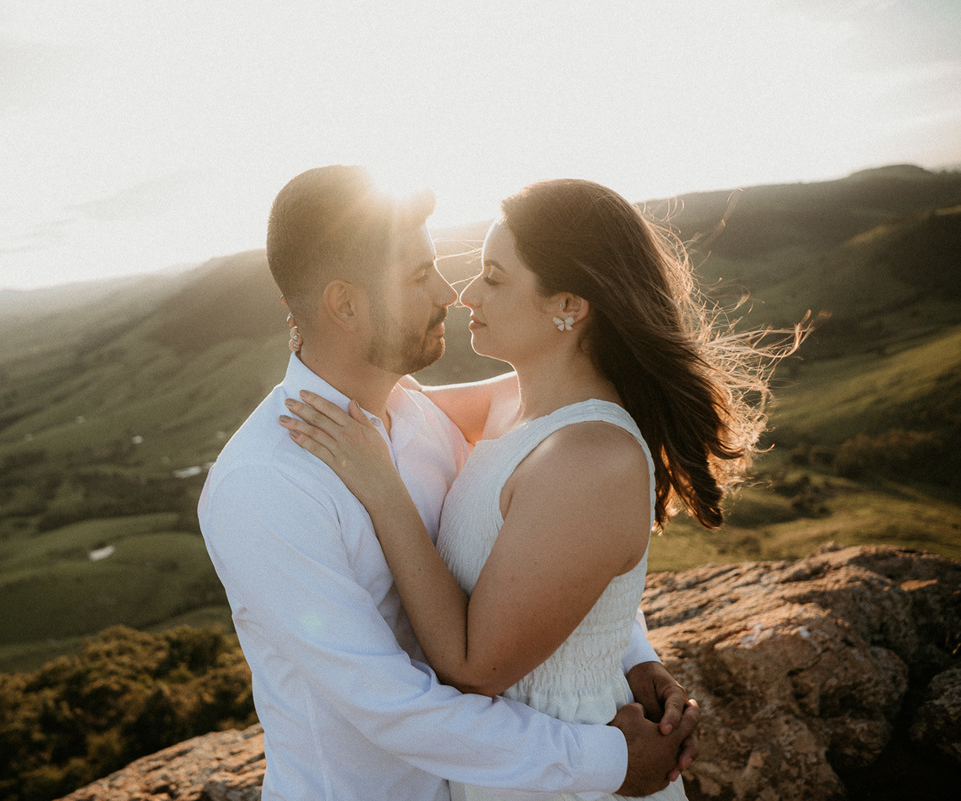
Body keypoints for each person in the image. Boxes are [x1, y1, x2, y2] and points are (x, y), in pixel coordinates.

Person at [282, 178, 794, 800]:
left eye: (494, 278)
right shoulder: (512, 403)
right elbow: (387, 396)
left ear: (569, 306)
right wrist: (322, 333)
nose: (466, 294)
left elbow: (474, 668)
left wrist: (383, 490)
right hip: (515, 760)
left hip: (575, 761)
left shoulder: (591, 459)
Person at [198, 166, 699, 801]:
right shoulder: (266, 484)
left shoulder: (420, 420)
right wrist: (606, 760)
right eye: (417, 276)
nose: (448, 292)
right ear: (346, 305)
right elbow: (388, 704)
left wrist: (629, 657)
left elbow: (546, 548)